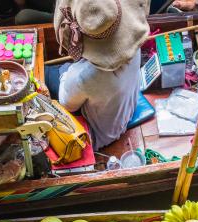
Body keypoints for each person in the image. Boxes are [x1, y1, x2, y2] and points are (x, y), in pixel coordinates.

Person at [50, 0, 149, 151]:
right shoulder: (133, 41)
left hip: (101, 135)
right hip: (126, 106)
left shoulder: (84, 77)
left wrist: (68, 72)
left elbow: (67, 104)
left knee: (47, 74)